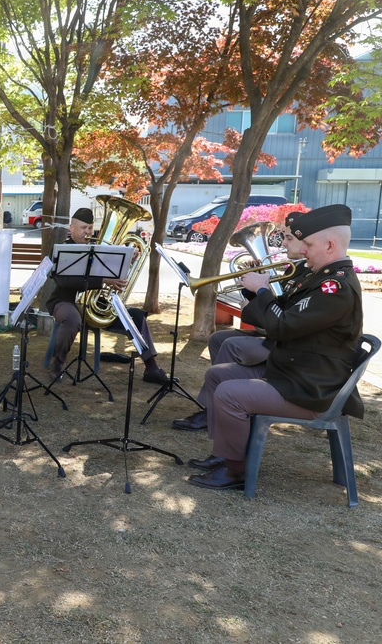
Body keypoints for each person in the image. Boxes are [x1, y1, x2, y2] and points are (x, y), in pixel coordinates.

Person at [185, 204, 363, 490]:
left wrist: (264, 291)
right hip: (295, 372)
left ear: (330, 245)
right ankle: (226, 454)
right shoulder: (319, 278)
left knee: (230, 393)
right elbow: (281, 316)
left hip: (312, 388)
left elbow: (281, 327)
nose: (302, 250)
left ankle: (236, 472)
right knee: (218, 375)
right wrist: (257, 293)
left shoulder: (335, 288)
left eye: (307, 244)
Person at [172, 211, 310, 431]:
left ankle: (212, 412)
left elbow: (282, 312)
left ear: (307, 240)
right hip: (273, 333)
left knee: (231, 344)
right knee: (218, 339)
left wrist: (261, 289)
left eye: (288, 238)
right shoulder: (298, 269)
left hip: (283, 344)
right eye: (283, 237)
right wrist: (251, 289)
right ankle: (218, 403)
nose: (282, 243)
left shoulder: (308, 274)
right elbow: (276, 302)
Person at [44, 207, 170, 384]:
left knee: (135, 316)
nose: (87, 232)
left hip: (96, 305)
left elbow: (114, 275)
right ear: (71, 229)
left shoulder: (99, 251)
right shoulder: (62, 250)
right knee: (72, 319)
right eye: (82, 228)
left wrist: (127, 260)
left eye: (90, 228)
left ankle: (151, 368)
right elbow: (64, 282)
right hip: (65, 300)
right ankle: (58, 363)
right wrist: (103, 280)